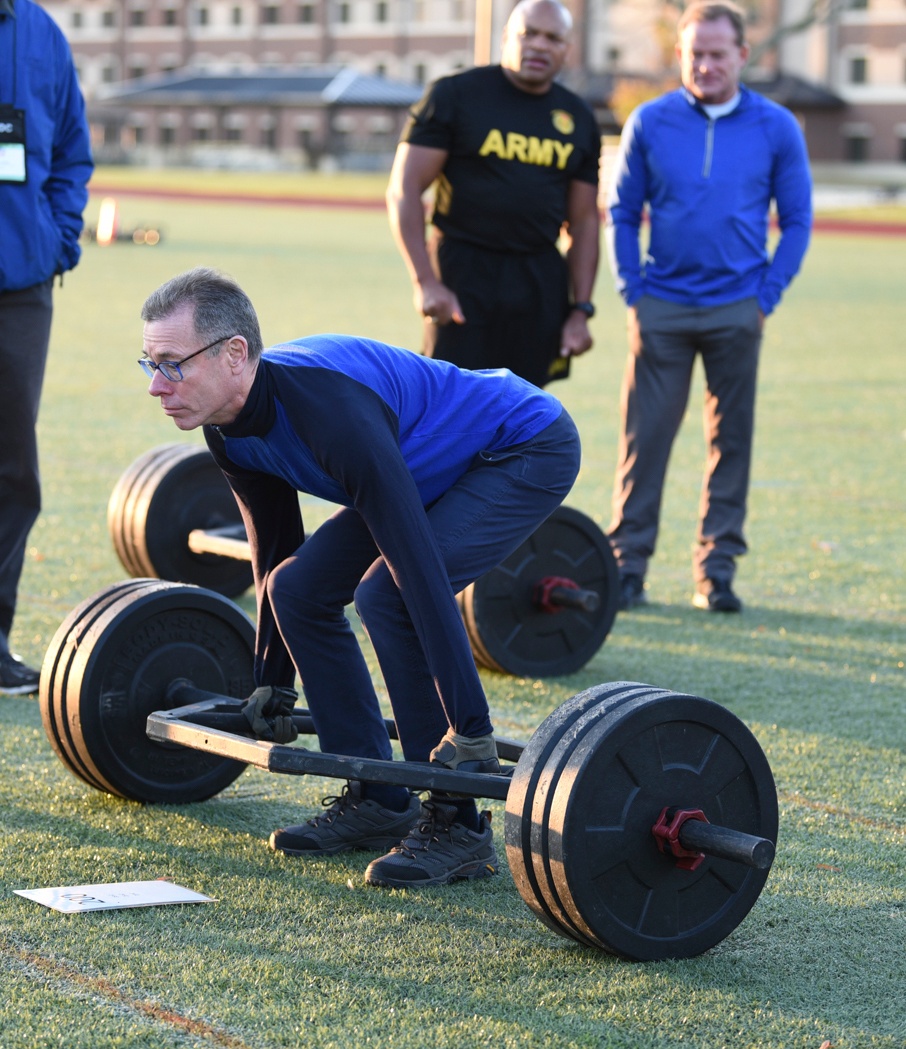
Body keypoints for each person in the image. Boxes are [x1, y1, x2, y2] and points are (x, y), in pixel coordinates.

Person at [139, 266, 581, 888]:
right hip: (425, 467)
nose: (158, 385)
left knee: (388, 593)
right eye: (150, 364)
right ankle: (378, 797)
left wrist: (473, 732)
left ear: (234, 354)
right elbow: (275, 552)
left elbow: (419, 574)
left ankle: (458, 824)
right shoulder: (226, 429)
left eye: (171, 364)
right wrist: (271, 684)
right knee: (296, 586)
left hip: (520, 446)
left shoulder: (330, 412)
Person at [605, 0, 812, 613]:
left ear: (743, 56)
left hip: (736, 310)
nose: (706, 64)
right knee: (645, 440)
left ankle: (715, 571)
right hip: (661, 308)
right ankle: (628, 566)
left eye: (718, 53)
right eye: (696, 53)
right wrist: (633, 293)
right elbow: (622, 214)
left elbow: (797, 221)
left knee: (732, 441)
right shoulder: (650, 122)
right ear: (680, 55)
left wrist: (764, 298)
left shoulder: (777, 126)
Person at [386, 0, 601, 389]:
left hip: (539, 279)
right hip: (463, 271)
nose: (539, 45)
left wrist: (580, 310)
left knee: (525, 407)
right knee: (450, 400)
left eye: (553, 38)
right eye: (528, 33)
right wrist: (426, 282)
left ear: (567, 49)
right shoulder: (454, 94)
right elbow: (405, 188)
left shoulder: (579, 118)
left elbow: (584, 221)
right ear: (507, 38)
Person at [0, 0, 93, 695]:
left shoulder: (40, 31)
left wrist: (56, 241)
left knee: (11, 474)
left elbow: (69, 150)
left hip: (20, 286)